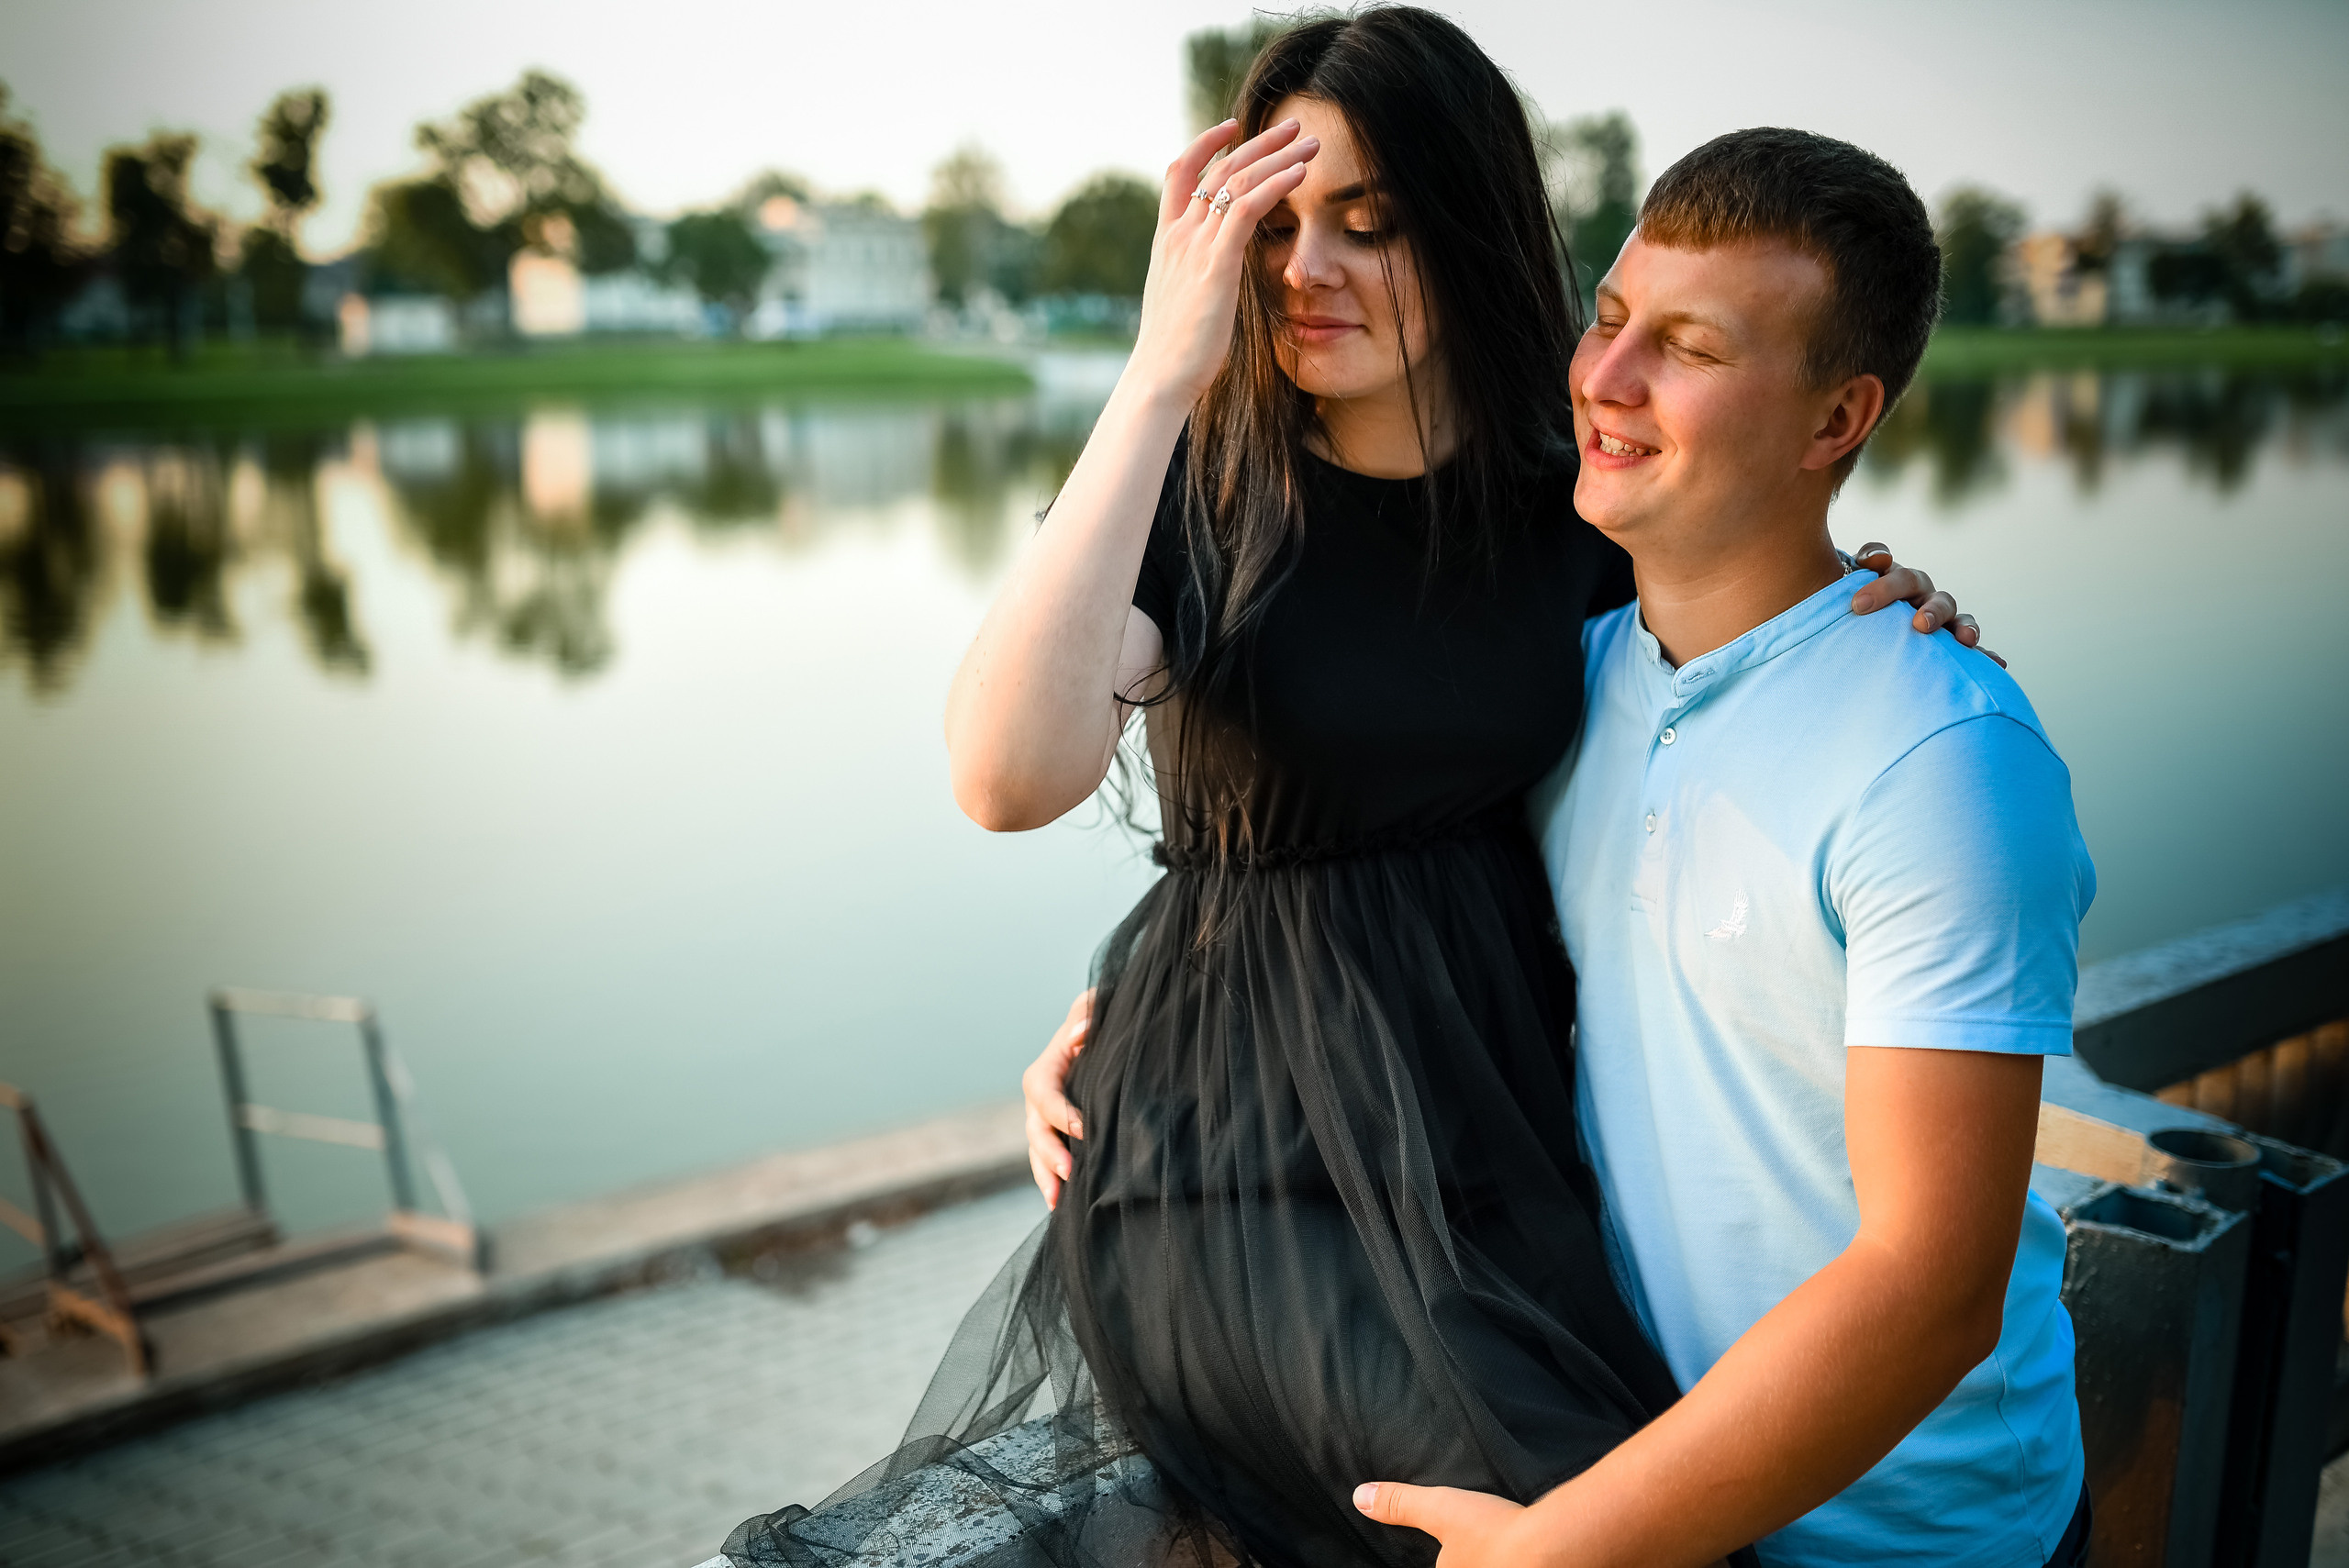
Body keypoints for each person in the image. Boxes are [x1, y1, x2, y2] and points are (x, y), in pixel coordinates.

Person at [721, 15, 1979, 1568]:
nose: (1305, 269)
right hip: (1230, 1164)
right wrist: (1160, 372)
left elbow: (1747, 613)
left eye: (1367, 224)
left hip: (1495, 1144)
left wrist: (1877, 603)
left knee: (1645, 1510)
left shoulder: (1574, 504)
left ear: (1467, 228)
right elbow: (1004, 777)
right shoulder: (1200, 498)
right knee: (1555, 1518)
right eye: (1274, 225)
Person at [1335, 131, 2097, 1567]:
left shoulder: (1942, 757)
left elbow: (1932, 1285)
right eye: (1611, 317)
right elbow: (1340, 870)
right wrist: (1123, 1009)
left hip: (1910, 1540)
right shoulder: (1562, 689)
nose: (1606, 379)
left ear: (1836, 420)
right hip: (1638, 1470)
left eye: (1687, 347)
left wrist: (1553, 1551)